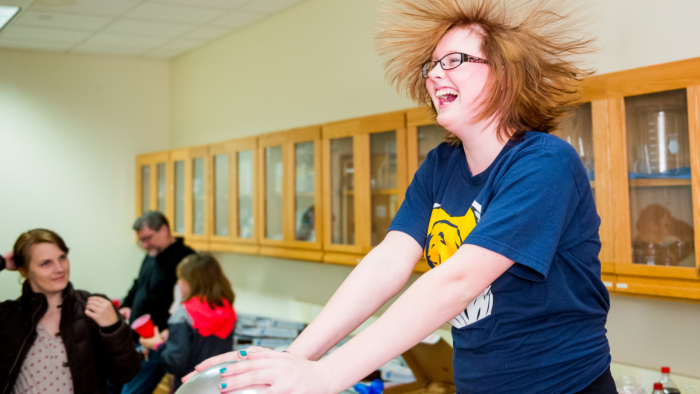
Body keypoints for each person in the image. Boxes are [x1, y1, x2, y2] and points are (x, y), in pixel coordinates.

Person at [191, 0, 614, 393]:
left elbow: (458, 281)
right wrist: (293, 361)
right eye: (431, 66)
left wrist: (327, 375)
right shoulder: (441, 166)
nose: (433, 75)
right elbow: (387, 263)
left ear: (505, 75)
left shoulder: (544, 163)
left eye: (454, 61)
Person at [0, 229, 141, 394]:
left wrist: (114, 329)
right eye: (46, 263)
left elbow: (126, 374)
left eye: (62, 257)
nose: (59, 268)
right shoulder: (7, 317)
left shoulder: (93, 308)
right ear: (23, 270)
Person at [119, 211, 195, 394]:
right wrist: (126, 304)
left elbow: (191, 303)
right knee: (114, 384)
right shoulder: (152, 254)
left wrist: (169, 332)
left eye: (148, 238)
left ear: (163, 229)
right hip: (137, 339)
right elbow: (139, 283)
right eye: (141, 241)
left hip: (159, 342)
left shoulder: (186, 259)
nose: (145, 245)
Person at [139, 253, 236, 392]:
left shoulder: (184, 313)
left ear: (191, 282)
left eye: (181, 279)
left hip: (190, 386)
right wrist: (173, 336)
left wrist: (158, 345)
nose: (178, 283)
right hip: (218, 384)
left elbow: (175, 363)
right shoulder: (227, 308)